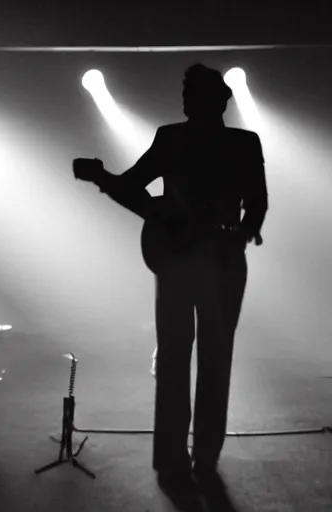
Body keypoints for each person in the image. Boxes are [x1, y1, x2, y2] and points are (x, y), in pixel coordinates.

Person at [74, 63, 268, 511]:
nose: (184, 99)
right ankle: (197, 458)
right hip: (208, 261)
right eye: (184, 92)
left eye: (191, 92)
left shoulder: (196, 140)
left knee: (184, 358)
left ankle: (179, 459)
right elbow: (133, 188)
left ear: (216, 99)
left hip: (195, 260)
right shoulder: (198, 139)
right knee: (203, 359)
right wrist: (103, 178)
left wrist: (244, 229)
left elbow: (256, 200)